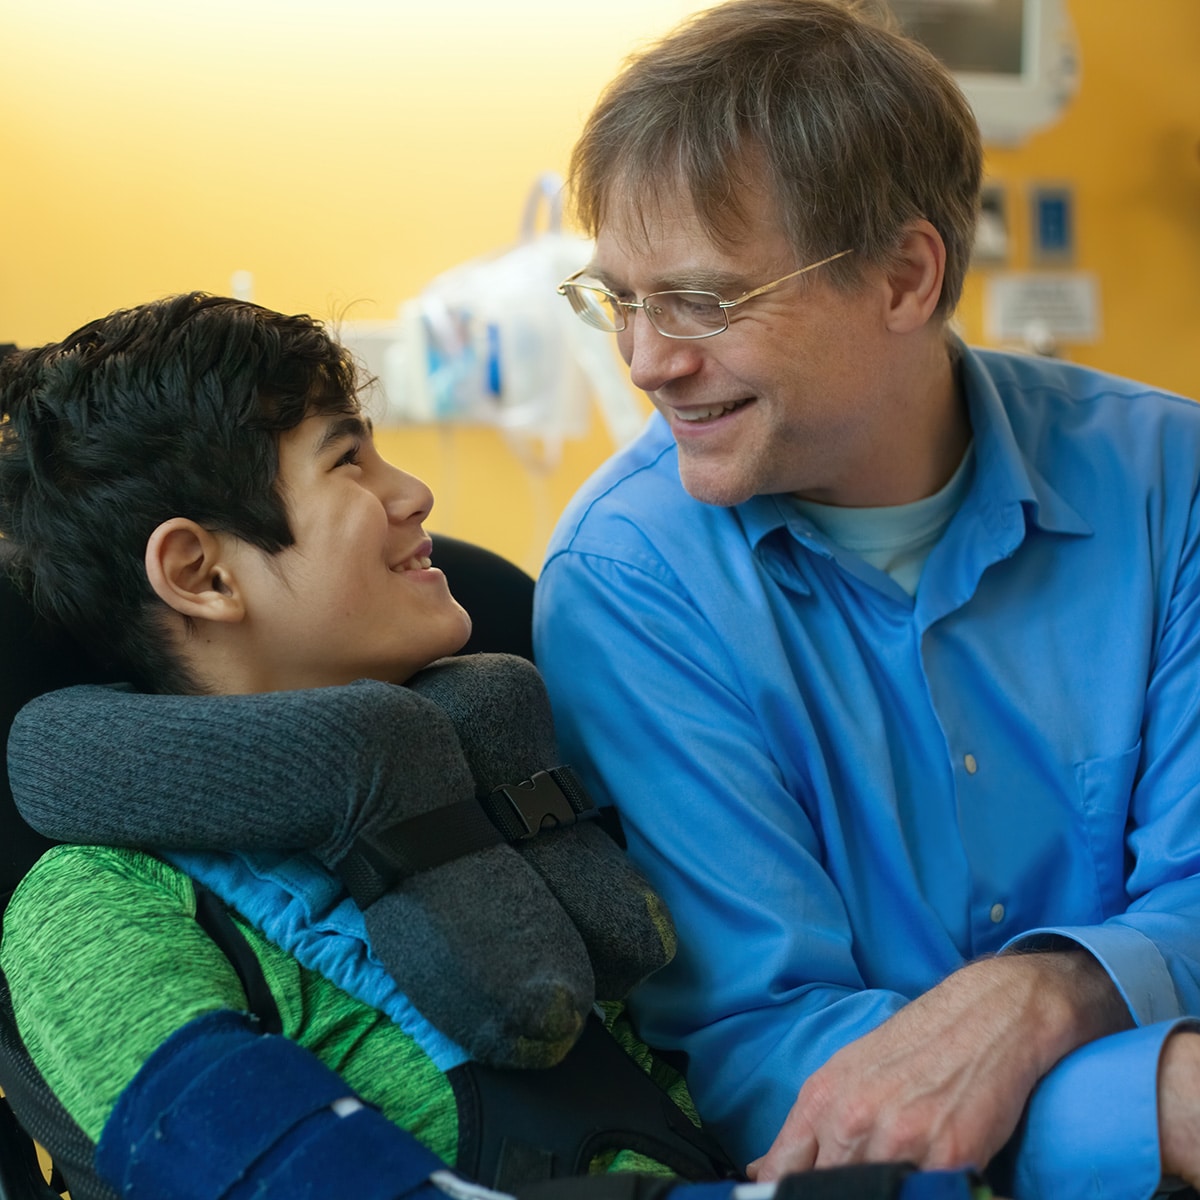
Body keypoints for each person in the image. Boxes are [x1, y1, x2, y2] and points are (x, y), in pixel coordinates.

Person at [531, 2, 1200, 1198]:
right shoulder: (626, 583)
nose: (644, 359)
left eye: (704, 301)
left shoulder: (1173, 483)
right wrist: (1154, 1104)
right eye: (619, 298)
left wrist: (1047, 993)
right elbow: (765, 1047)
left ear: (905, 276)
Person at [0, 292, 734, 1199]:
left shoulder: (496, 770)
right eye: (348, 461)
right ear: (202, 573)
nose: (414, 494)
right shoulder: (91, 910)